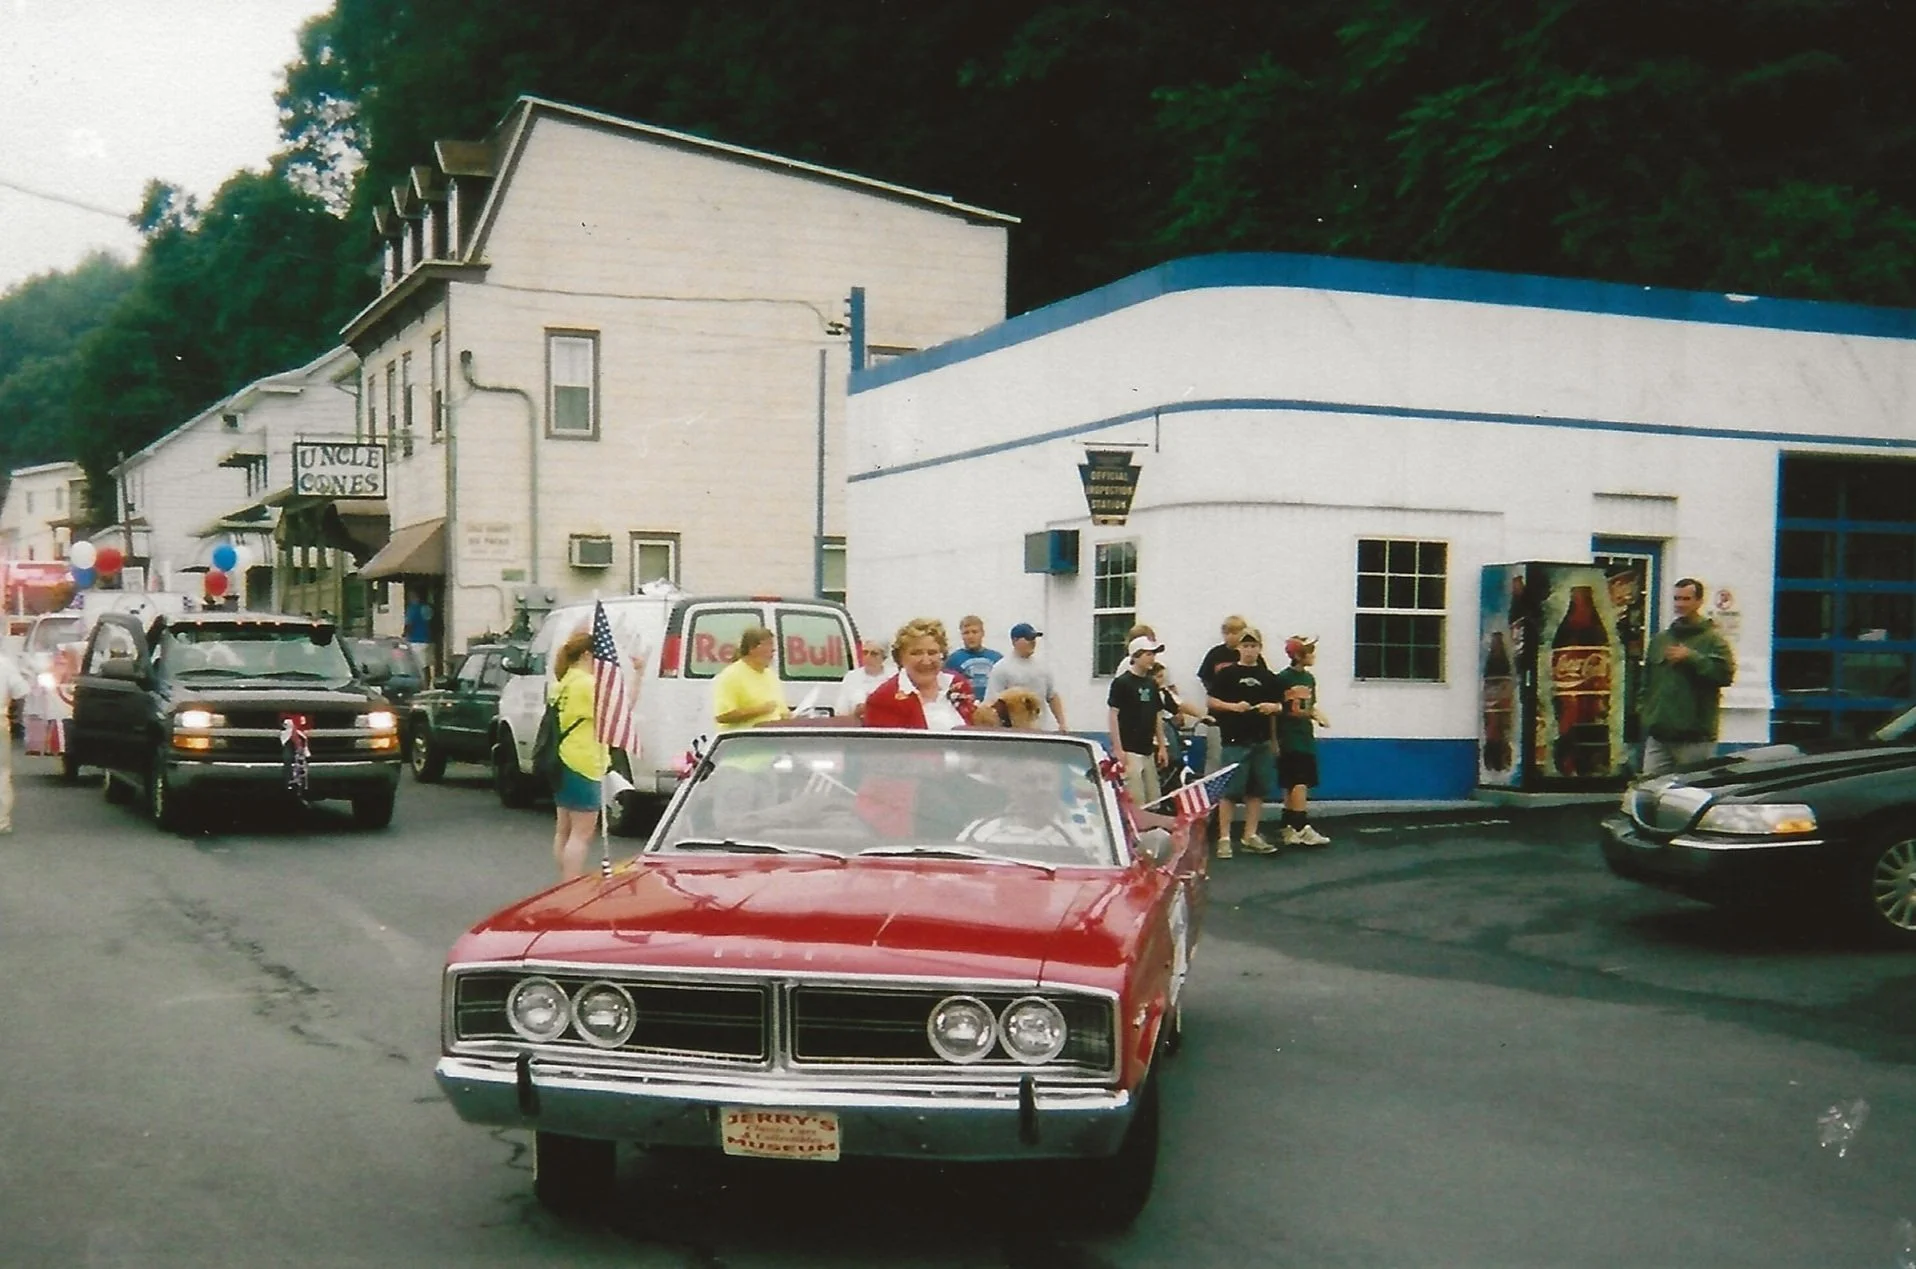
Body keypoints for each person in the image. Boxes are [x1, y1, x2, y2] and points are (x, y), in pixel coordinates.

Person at [1639, 577, 1736, 775]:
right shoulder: (1661, 639)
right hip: (1659, 735)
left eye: (1685, 599)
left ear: (1699, 602)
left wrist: (1692, 658)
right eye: (1676, 599)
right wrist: (1645, 713)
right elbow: (1646, 682)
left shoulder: (1713, 640)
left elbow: (1724, 676)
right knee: (1647, 788)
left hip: (1694, 737)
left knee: (1690, 791)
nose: (1680, 604)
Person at [1205, 627, 1283, 857]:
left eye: (1254, 646)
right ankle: (1224, 838)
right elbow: (1211, 701)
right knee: (1230, 791)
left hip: (1261, 741)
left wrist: (1273, 708)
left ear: (1260, 648)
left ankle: (1250, 835)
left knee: (1256, 791)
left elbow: (1281, 706)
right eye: (1246, 646)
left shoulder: (1268, 677)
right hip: (1234, 740)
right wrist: (1233, 707)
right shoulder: (1226, 675)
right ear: (1239, 648)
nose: (1250, 650)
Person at [548, 629, 603, 882]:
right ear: (587, 654)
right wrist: (636, 674)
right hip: (584, 760)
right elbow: (615, 713)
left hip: (561, 758)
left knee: (564, 830)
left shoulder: (561, 683)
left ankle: (564, 880)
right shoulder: (586, 684)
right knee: (582, 832)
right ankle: (571, 882)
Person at [862, 617, 977, 730]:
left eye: (932, 653)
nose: (926, 661)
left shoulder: (958, 684)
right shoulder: (882, 700)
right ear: (900, 658)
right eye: (916, 653)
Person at [1273, 634, 1332, 847]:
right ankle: (1300, 825)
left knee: (1298, 780)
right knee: (1297, 781)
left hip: (1304, 734)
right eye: (1309, 652)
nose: (1313, 656)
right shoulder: (1282, 679)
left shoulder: (1309, 680)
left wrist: (1318, 715)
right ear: (1298, 655)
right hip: (1289, 736)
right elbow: (1275, 711)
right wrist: (1274, 740)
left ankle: (1289, 826)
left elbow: (1309, 706)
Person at [1106, 635, 1169, 809]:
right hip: (1129, 750)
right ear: (1136, 656)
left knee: (1154, 799)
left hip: (1148, 749)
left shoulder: (1151, 683)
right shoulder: (1122, 683)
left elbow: (1157, 714)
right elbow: (1113, 715)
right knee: (1136, 799)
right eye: (1149, 654)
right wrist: (1118, 748)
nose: (1153, 658)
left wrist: (1162, 746)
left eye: (1153, 654)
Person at [985, 622, 1068, 732]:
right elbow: (992, 703)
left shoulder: (1042, 666)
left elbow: (1052, 696)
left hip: (1041, 730)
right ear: (1014, 641)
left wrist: (1062, 723)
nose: (1032, 642)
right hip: (1013, 733)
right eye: (1028, 639)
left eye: (1034, 638)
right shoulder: (1001, 668)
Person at [712, 626, 791, 732]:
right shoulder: (731, 675)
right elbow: (722, 716)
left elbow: (780, 711)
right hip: (744, 743)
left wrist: (788, 717)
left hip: (771, 742)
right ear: (752, 648)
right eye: (767, 645)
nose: (773, 650)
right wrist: (759, 710)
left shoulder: (770, 675)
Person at [0, 643, 29, 834]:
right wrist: (15, 715)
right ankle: (1, 820)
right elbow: (21, 691)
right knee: (1, 772)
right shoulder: (4, 664)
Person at [944, 615, 1002, 700]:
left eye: (974, 632)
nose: (971, 636)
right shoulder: (953, 660)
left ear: (982, 633)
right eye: (966, 633)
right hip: (965, 706)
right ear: (962, 635)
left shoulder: (996, 658)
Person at [834, 639, 892, 720]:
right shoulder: (852, 677)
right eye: (865, 652)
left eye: (874, 654)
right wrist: (856, 713)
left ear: (884, 657)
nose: (868, 657)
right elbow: (841, 713)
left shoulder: (893, 676)